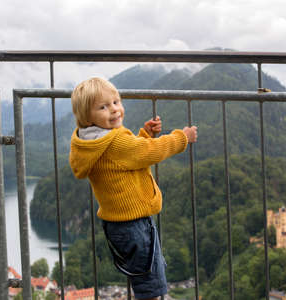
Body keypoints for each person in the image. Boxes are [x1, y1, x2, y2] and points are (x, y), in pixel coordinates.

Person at [69, 77, 197, 300]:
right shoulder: (115, 142)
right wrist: (182, 138)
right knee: (151, 290)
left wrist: (145, 135)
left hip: (119, 225)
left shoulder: (90, 141)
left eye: (116, 102)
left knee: (145, 283)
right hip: (135, 225)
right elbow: (149, 152)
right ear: (87, 117)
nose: (114, 110)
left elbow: (127, 160)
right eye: (103, 106)